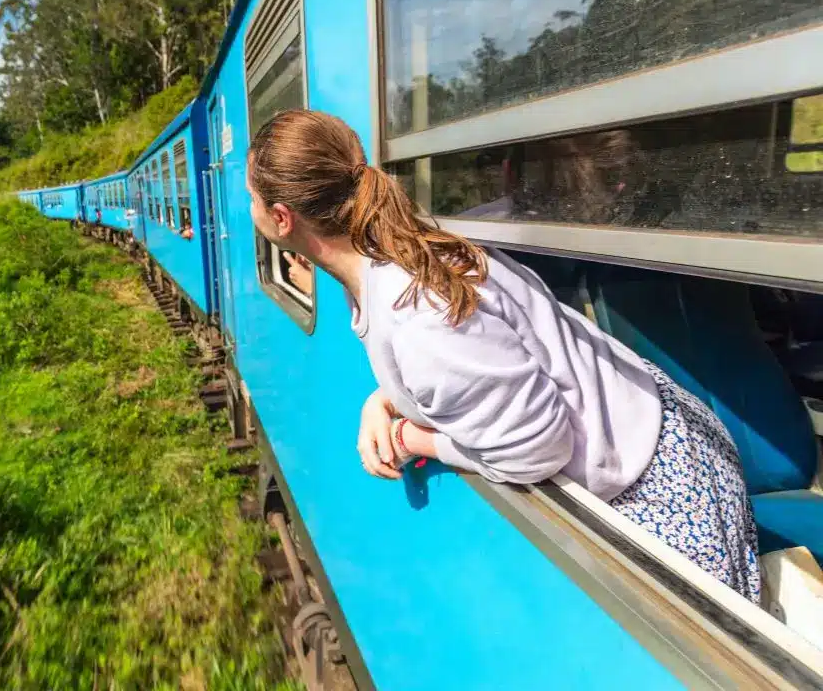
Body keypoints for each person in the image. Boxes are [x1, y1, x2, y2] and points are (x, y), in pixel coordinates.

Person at [245, 109, 760, 603]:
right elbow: (484, 357)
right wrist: (383, 400)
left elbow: (535, 452)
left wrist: (410, 437)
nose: (249, 210)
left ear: (282, 218)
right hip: (651, 427)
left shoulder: (415, 315)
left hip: (662, 486)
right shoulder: (394, 254)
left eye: (252, 198)